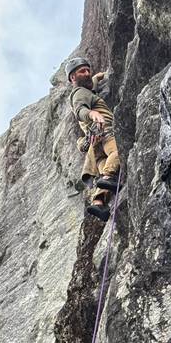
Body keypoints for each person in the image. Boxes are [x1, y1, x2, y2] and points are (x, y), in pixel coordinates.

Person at [66, 57, 121, 222]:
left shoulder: (86, 91)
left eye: (88, 70)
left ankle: (98, 202)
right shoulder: (80, 93)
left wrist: (98, 77)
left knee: (106, 166)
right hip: (105, 132)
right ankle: (107, 177)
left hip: (95, 145)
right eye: (82, 71)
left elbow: (92, 84)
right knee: (118, 153)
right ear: (73, 78)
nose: (87, 73)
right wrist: (93, 113)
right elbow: (80, 110)